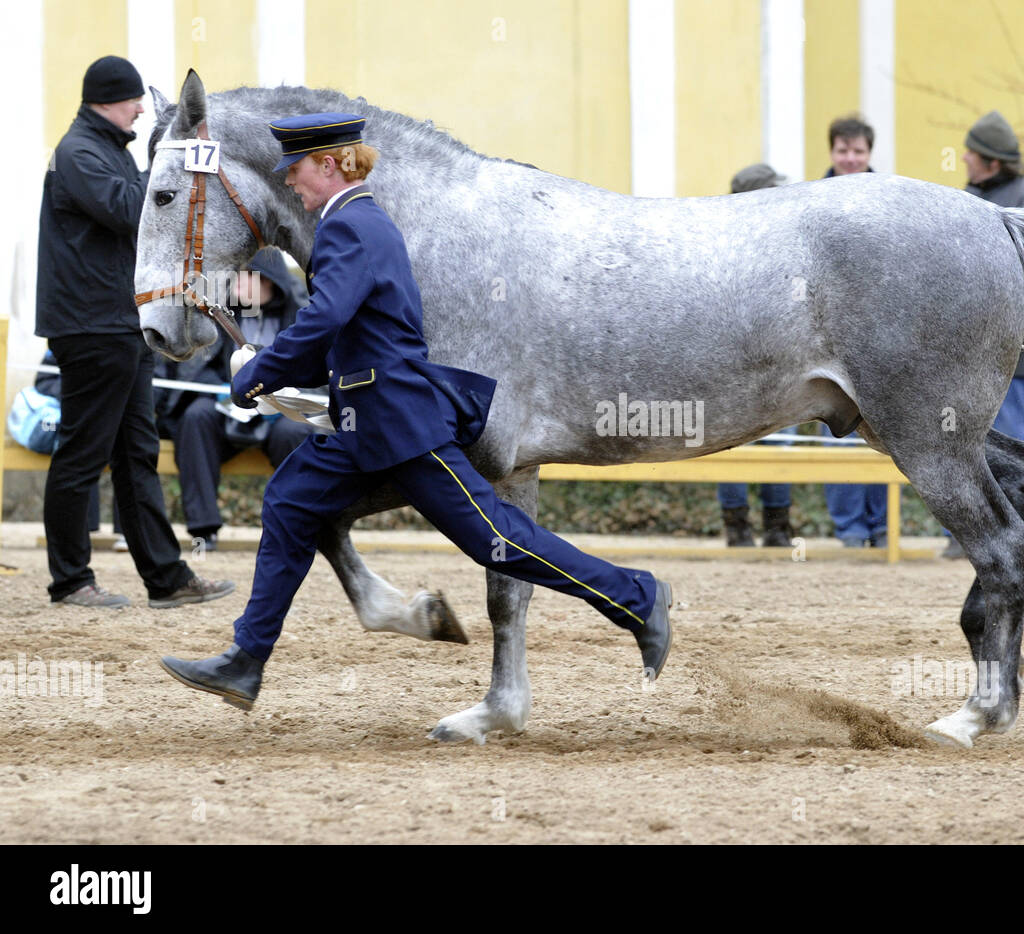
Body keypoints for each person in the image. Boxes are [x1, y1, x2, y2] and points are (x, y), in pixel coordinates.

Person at [160, 113, 672, 709]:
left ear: (329, 165)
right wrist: (274, 371)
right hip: (365, 417)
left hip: (399, 419)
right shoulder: (355, 222)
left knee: (499, 542)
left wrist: (260, 371)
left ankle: (636, 596)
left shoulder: (348, 227)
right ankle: (246, 661)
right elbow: (339, 331)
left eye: (295, 170)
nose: (290, 183)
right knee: (290, 500)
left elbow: (324, 321)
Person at [35, 55, 234, 609]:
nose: (142, 109)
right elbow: (134, 211)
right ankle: (70, 580)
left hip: (120, 321)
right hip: (92, 325)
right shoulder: (80, 153)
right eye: (134, 101)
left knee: (136, 452)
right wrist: (173, 162)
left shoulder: (104, 150)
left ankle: (166, 580)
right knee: (82, 454)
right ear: (107, 100)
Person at [943, 109, 1024, 558]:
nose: (965, 157)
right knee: (974, 449)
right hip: (980, 354)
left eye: (972, 152)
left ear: (992, 161)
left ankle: (1020, 535)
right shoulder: (965, 199)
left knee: (1020, 452)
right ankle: (975, 534)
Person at [156, 247, 316, 551]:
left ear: (268, 281)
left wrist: (284, 397)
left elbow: (316, 373)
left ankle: (299, 528)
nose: (236, 283)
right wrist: (222, 390)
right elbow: (204, 368)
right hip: (233, 406)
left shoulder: (300, 316)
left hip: (282, 410)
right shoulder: (224, 316)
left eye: (245, 277)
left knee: (294, 433)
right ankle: (204, 530)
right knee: (196, 418)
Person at [717, 163, 797, 547]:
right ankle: (738, 528)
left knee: (779, 446)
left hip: (779, 365)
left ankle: (777, 526)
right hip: (741, 368)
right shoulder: (725, 251)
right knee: (733, 447)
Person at [819, 114, 886, 548]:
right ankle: (849, 530)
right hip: (824, 344)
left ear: (869, 154)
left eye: (857, 151)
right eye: (843, 150)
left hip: (879, 344)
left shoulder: (887, 201)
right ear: (832, 152)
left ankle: (882, 528)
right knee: (837, 443)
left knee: (886, 438)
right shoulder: (811, 199)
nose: (850, 158)